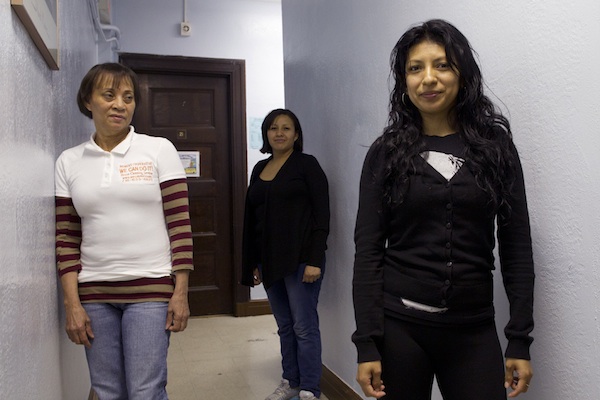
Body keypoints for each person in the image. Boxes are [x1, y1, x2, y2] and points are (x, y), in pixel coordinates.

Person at [352, 19, 535, 400]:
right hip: (400, 329)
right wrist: (366, 342)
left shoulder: (495, 147)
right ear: (404, 82)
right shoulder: (385, 153)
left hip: (473, 329)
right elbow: (368, 250)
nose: (428, 78)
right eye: (415, 68)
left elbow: (516, 246)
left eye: (442, 65)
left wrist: (519, 338)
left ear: (463, 74)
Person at [55, 63, 193, 399]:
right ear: (88, 100)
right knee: (106, 391)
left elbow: (180, 225)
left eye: (128, 97)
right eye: (109, 95)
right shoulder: (68, 162)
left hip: (150, 289)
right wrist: (72, 303)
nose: (120, 104)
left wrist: (180, 291)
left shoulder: (158, 149)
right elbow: (66, 239)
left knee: (146, 390)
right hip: (94, 295)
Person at [241, 109, 330, 400]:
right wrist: (253, 261)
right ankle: (291, 380)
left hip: (302, 259)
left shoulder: (307, 165)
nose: (280, 133)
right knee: (284, 327)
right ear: (266, 133)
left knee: (304, 327)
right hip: (270, 261)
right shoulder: (259, 168)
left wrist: (315, 259)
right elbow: (253, 219)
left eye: (286, 128)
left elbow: (322, 216)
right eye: (274, 128)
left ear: (296, 134)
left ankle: (310, 389)